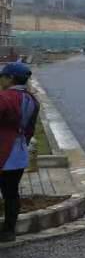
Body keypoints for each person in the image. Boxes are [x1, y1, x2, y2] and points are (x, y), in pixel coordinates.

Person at [0, 62, 40, 243]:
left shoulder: (5, 97)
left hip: (3, 152)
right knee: (11, 193)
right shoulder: (32, 100)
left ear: (10, 78)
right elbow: (30, 129)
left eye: (3, 77)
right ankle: (9, 231)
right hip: (19, 153)